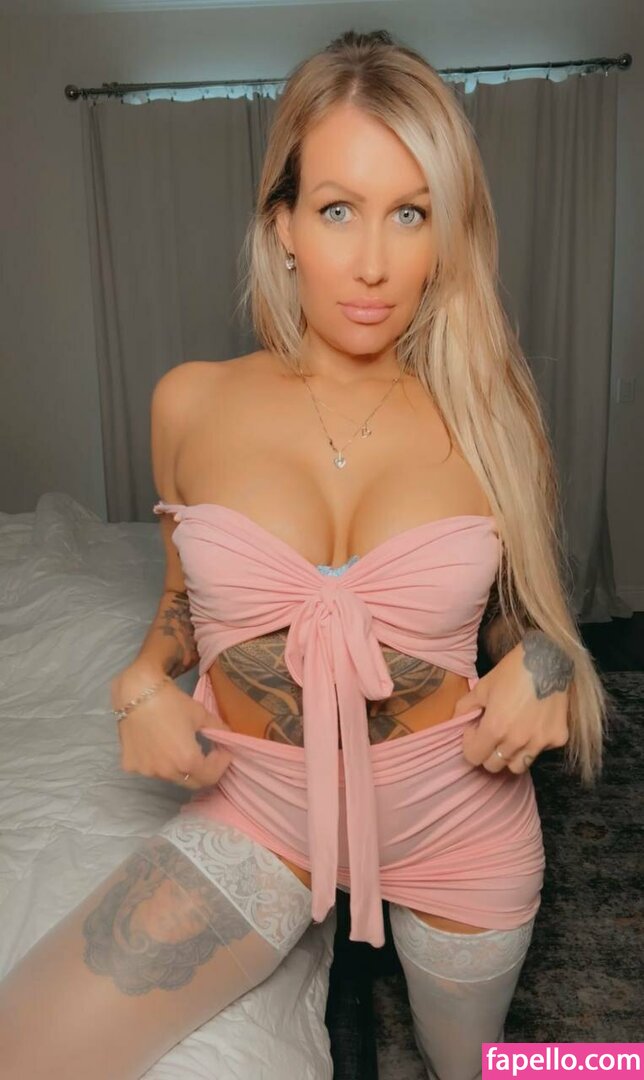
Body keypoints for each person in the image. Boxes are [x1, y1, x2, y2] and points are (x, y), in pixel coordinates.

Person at [0, 28, 608, 1080]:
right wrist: (140, 684)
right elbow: (180, 606)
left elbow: (526, 624)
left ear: (446, 233)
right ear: (281, 224)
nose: (372, 262)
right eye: (336, 209)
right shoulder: (190, 403)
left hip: (457, 825)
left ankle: (617, 1066)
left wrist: (550, 668)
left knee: (480, 1070)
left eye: (409, 212)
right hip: (260, 811)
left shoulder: (494, 415)